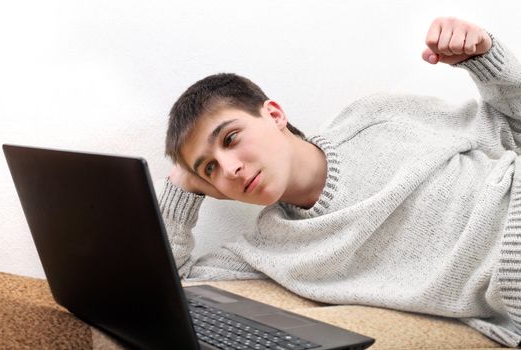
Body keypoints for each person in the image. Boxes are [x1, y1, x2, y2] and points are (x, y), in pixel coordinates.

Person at [159, 17, 521, 347]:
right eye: (208, 169)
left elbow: (512, 130)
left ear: (274, 114)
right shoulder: (267, 249)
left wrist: (486, 57)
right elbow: (164, 289)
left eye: (231, 139)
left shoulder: (377, 117)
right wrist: (180, 191)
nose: (228, 169)